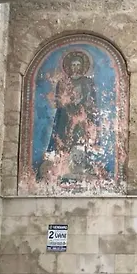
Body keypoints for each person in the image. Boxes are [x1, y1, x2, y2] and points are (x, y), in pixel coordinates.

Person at [38, 50, 100, 180]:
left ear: (82, 67)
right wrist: (68, 102)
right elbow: (59, 101)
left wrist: (82, 103)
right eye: (73, 65)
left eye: (78, 65)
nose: (75, 67)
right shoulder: (63, 82)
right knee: (64, 140)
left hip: (82, 117)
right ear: (69, 67)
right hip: (66, 117)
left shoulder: (87, 82)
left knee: (80, 140)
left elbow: (92, 101)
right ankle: (62, 168)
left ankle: (80, 167)